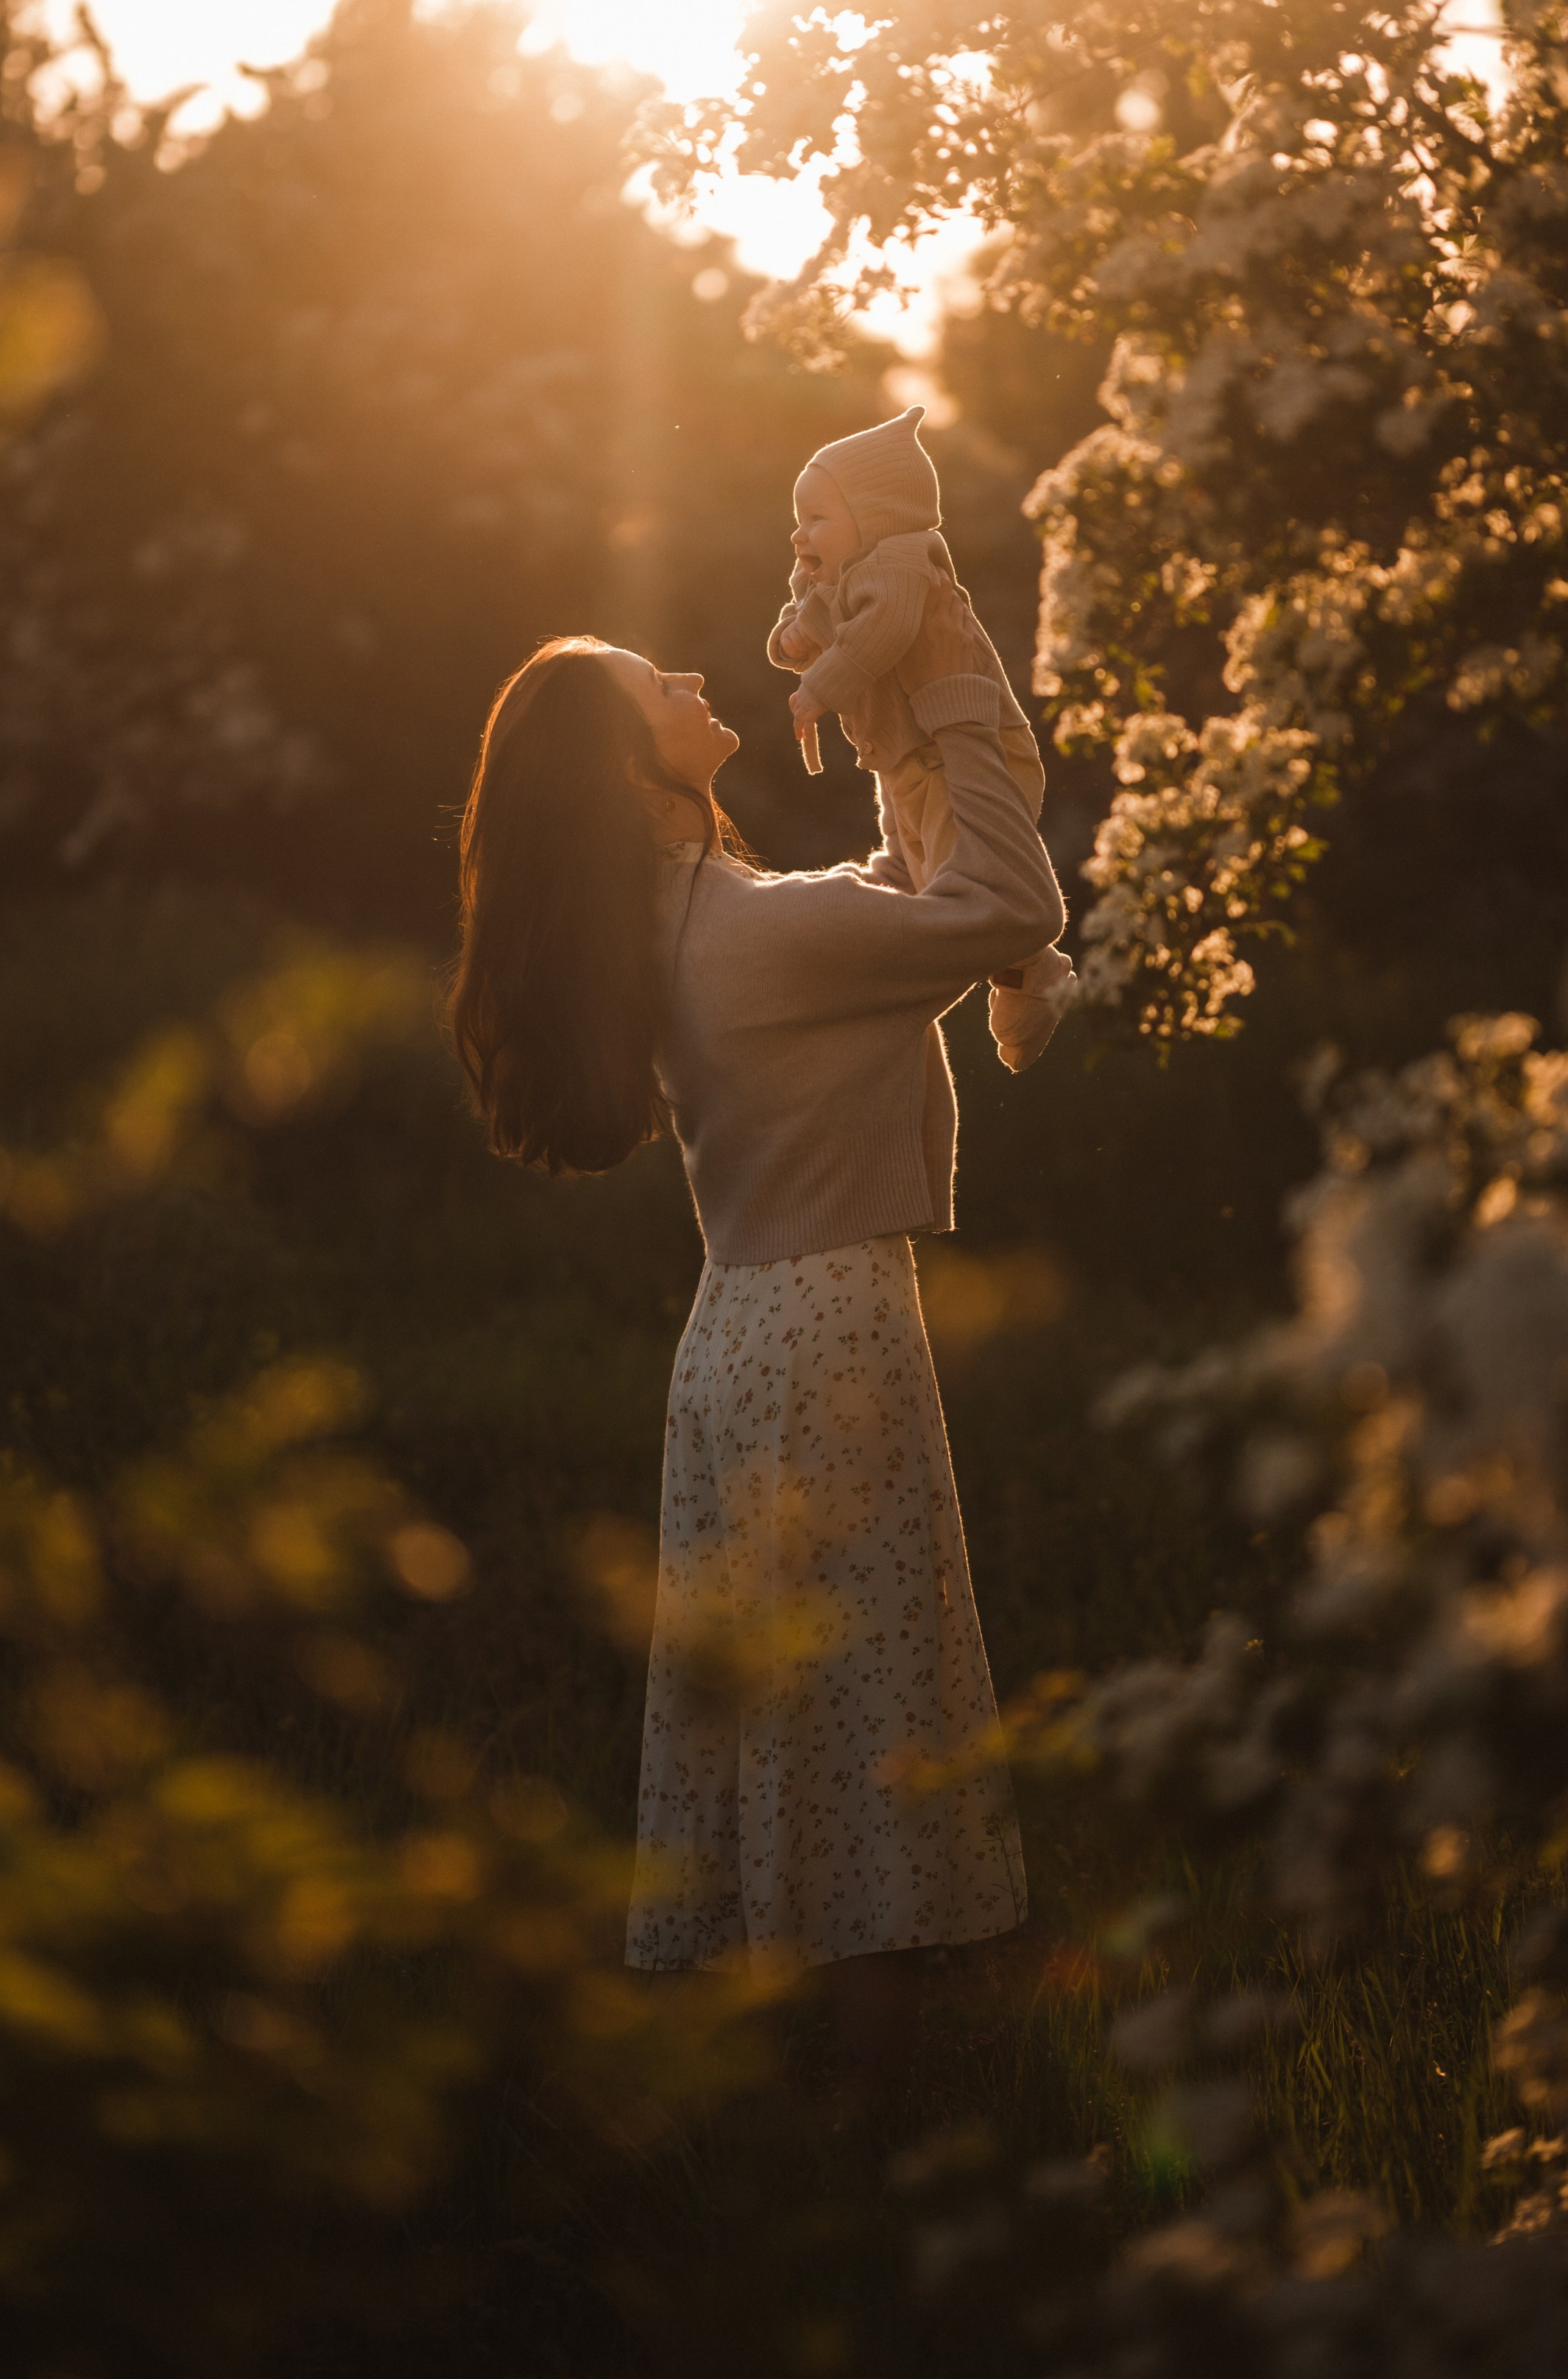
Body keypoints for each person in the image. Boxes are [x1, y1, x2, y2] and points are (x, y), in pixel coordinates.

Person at [446, 580, 1067, 2075]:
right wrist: (953, 698)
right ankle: (868, 2097)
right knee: (860, 1714)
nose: (678, 669)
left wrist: (890, 708)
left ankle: (798, 2077)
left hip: (743, 1333)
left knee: (797, 1712)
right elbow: (1001, 909)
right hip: (824, 1331)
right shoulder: (742, 937)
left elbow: (897, 899)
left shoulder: (692, 924)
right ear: (624, 771)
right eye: (641, 681)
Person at [766, 404, 1078, 1071]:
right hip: (910, 762)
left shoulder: (901, 566)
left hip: (958, 751)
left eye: (817, 518)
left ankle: (1035, 972)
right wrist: (796, 633)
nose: (800, 535)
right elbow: (821, 617)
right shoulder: (852, 577)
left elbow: (879, 634)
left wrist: (822, 686)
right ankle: (1012, 974)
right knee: (921, 874)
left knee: (957, 887)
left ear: (876, 518)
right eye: (799, 520)